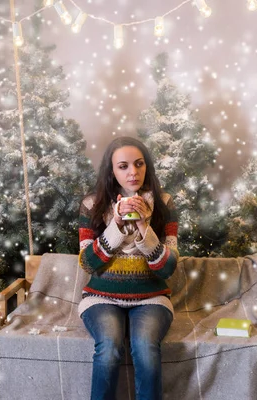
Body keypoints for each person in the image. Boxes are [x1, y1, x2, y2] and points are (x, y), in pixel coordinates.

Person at [78, 136, 179, 400]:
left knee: (145, 347)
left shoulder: (165, 203)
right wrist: (117, 226)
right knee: (109, 347)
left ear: (147, 166)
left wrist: (145, 226)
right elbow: (88, 262)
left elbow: (167, 267)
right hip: (101, 297)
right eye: (123, 166)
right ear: (111, 170)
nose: (133, 172)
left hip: (152, 298)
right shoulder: (91, 204)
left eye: (139, 164)